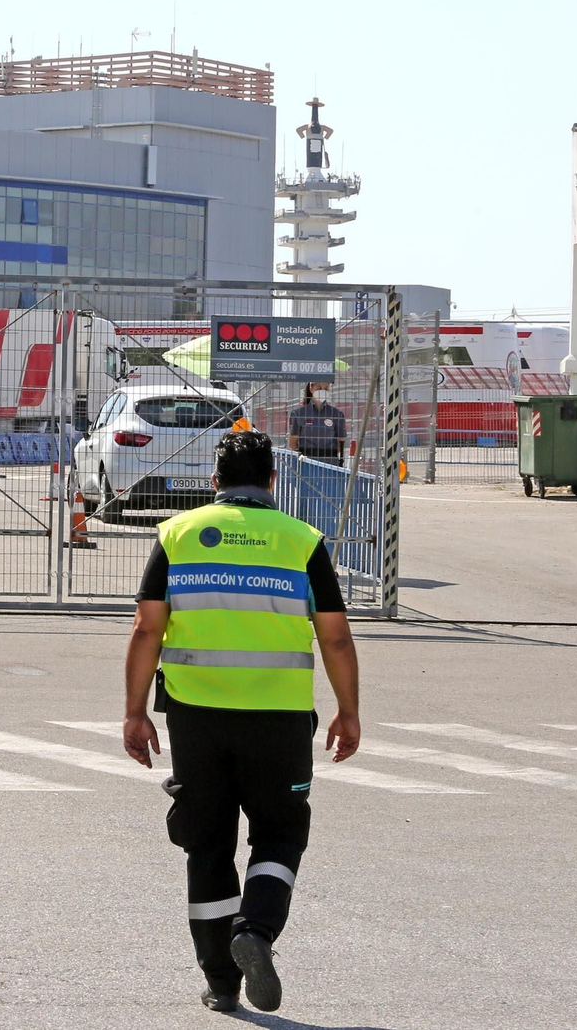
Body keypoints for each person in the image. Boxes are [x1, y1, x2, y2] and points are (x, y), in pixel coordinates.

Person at [121, 428, 361, 1015]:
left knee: (206, 844)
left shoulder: (178, 536)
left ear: (214, 482)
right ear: (273, 481)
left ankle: (223, 982)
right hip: (278, 720)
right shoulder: (301, 541)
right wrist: (348, 710)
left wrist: (134, 712)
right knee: (279, 833)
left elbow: (148, 628)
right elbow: (334, 636)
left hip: (196, 719)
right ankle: (255, 929)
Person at [288, 382, 346, 466]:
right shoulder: (298, 414)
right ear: (311, 389)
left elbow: (341, 442)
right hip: (306, 463)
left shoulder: (337, 414)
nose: (322, 391)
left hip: (330, 464)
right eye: (319, 388)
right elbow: (293, 443)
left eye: (325, 389)